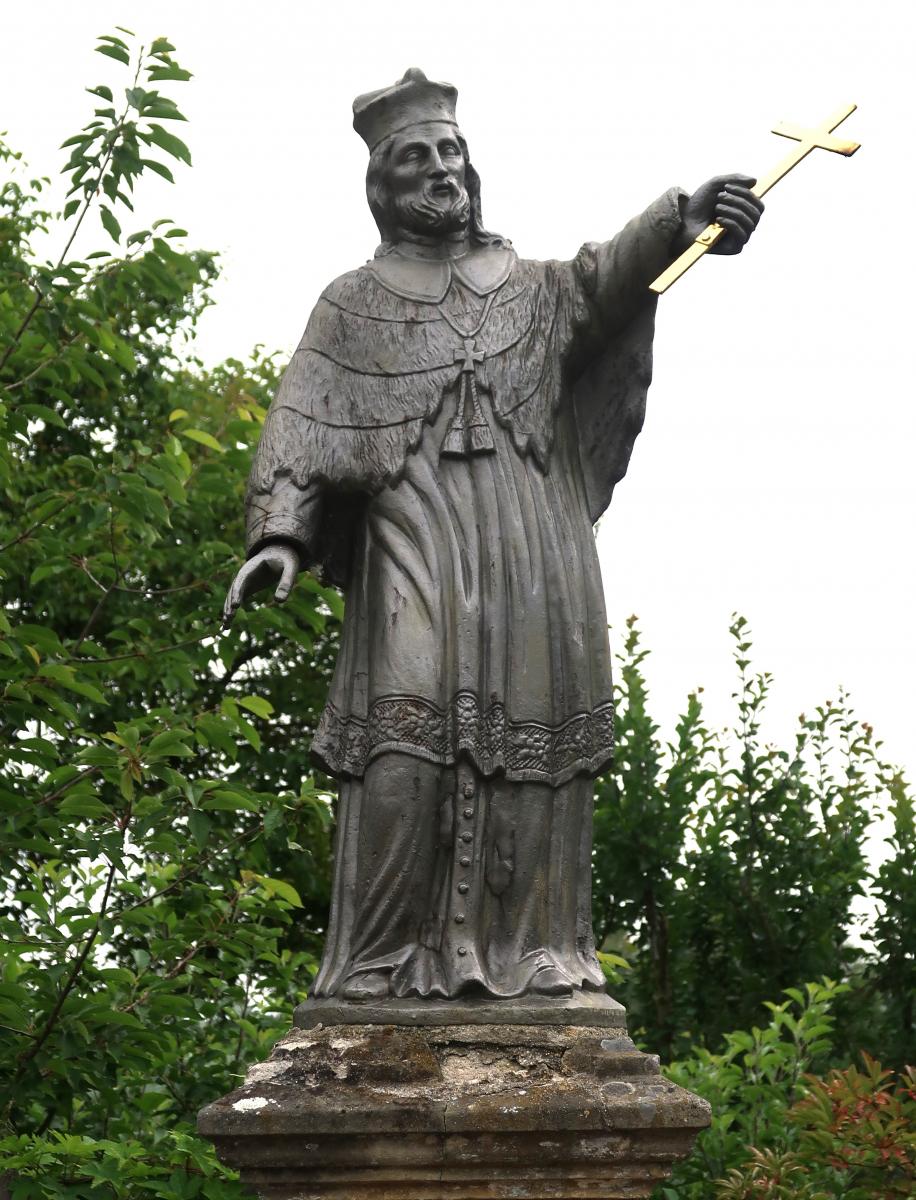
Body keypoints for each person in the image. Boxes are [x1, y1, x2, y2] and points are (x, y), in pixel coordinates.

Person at [223, 69, 764, 1002]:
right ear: (382, 183)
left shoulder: (536, 289)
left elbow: (610, 275)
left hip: (532, 552)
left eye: (451, 150)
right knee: (400, 747)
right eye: (416, 157)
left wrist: (682, 219)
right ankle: (379, 964)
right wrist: (282, 537)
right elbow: (301, 424)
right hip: (416, 547)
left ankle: (537, 955)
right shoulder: (349, 306)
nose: (441, 168)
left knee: (536, 747)